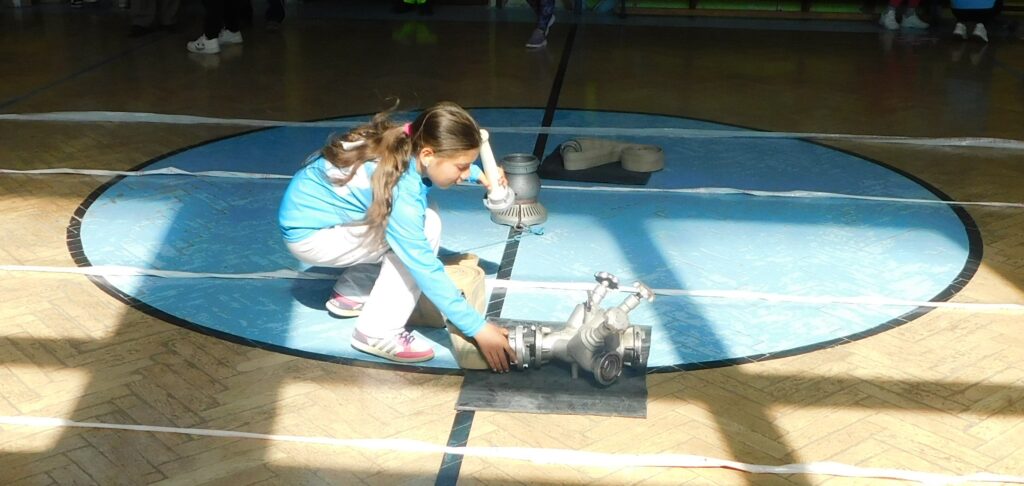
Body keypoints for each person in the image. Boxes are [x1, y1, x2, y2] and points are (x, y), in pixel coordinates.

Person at [278, 102, 515, 372]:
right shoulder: (400, 190)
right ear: (427, 154)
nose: (464, 173)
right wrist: (477, 328)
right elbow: (423, 265)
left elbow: (434, 169)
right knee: (425, 228)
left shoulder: (406, 140)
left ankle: (353, 291)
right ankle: (377, 332)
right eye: (462, 166)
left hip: (321, 226)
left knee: (421, 216)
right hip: (313, 239)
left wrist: (479, 174)